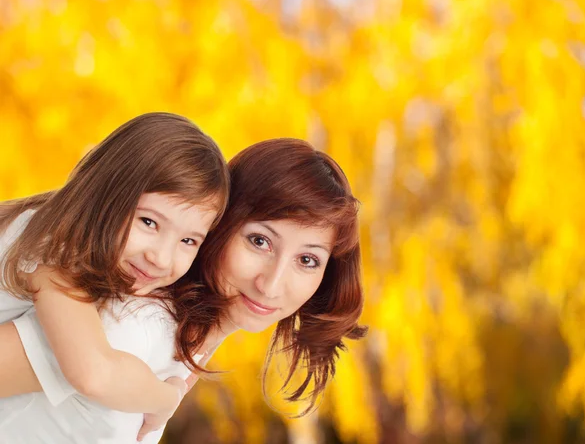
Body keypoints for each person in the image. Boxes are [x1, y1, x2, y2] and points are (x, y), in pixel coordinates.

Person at [0, 137, 366, 443]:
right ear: (218, 225)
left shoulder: (176, 342)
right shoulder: (131, 327)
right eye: (259, 241)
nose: (271, 284)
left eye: (307, 261)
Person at [0, 111, 230, 442]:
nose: (161, 257)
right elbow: (94, 373)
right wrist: (168, 397)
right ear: (107, 193)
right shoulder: (57, 248)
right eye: (149, 222)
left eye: (188, 240)